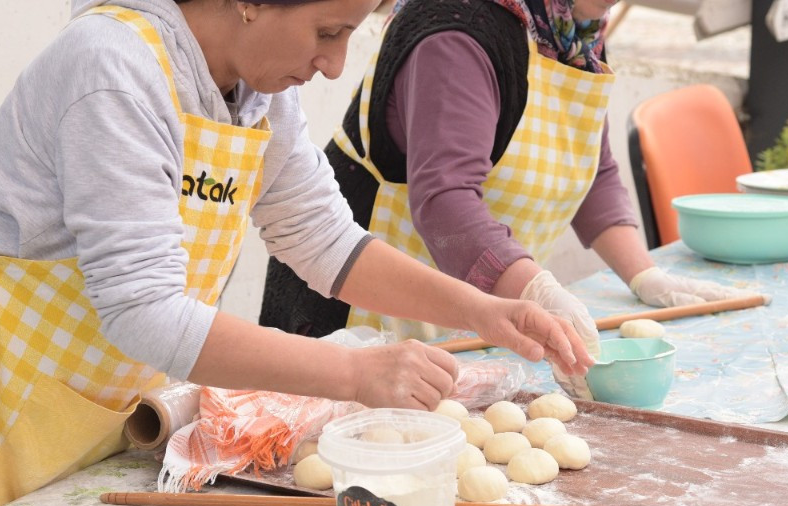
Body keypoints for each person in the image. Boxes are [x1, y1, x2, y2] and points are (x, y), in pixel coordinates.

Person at [0, 0, 594, 506]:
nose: (336, 65)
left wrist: (485, 310)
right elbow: (145, 312)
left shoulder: (257, 89)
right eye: (328, 32)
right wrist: (355, 372)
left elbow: (326, 241)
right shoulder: (115, 70)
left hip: (75, 395)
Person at [259, 0, 753, 396]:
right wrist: (534, 290)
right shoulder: (459, 29)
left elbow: (589, 167)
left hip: (479, 313)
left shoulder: (572, 30)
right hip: (357, 312)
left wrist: (645, 275)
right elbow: (446, 199)